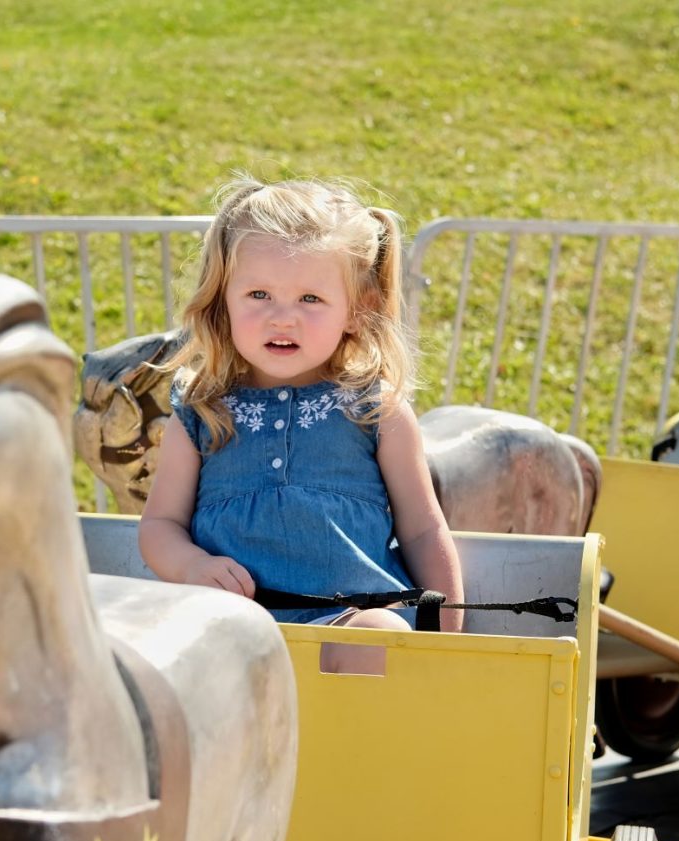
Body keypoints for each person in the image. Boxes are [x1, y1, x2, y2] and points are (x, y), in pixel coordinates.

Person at [138, 176, 463, 668]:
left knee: (380, 637)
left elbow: (422, 529)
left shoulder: (376, 407)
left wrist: (449, 635)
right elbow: (160, 525)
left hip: (348, 619)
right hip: (234, 625)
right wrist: (192, 565)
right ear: (223, 300)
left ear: (357, 311)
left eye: (310, 299)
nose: (282, 318)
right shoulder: (202, 408)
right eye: (259, 294)